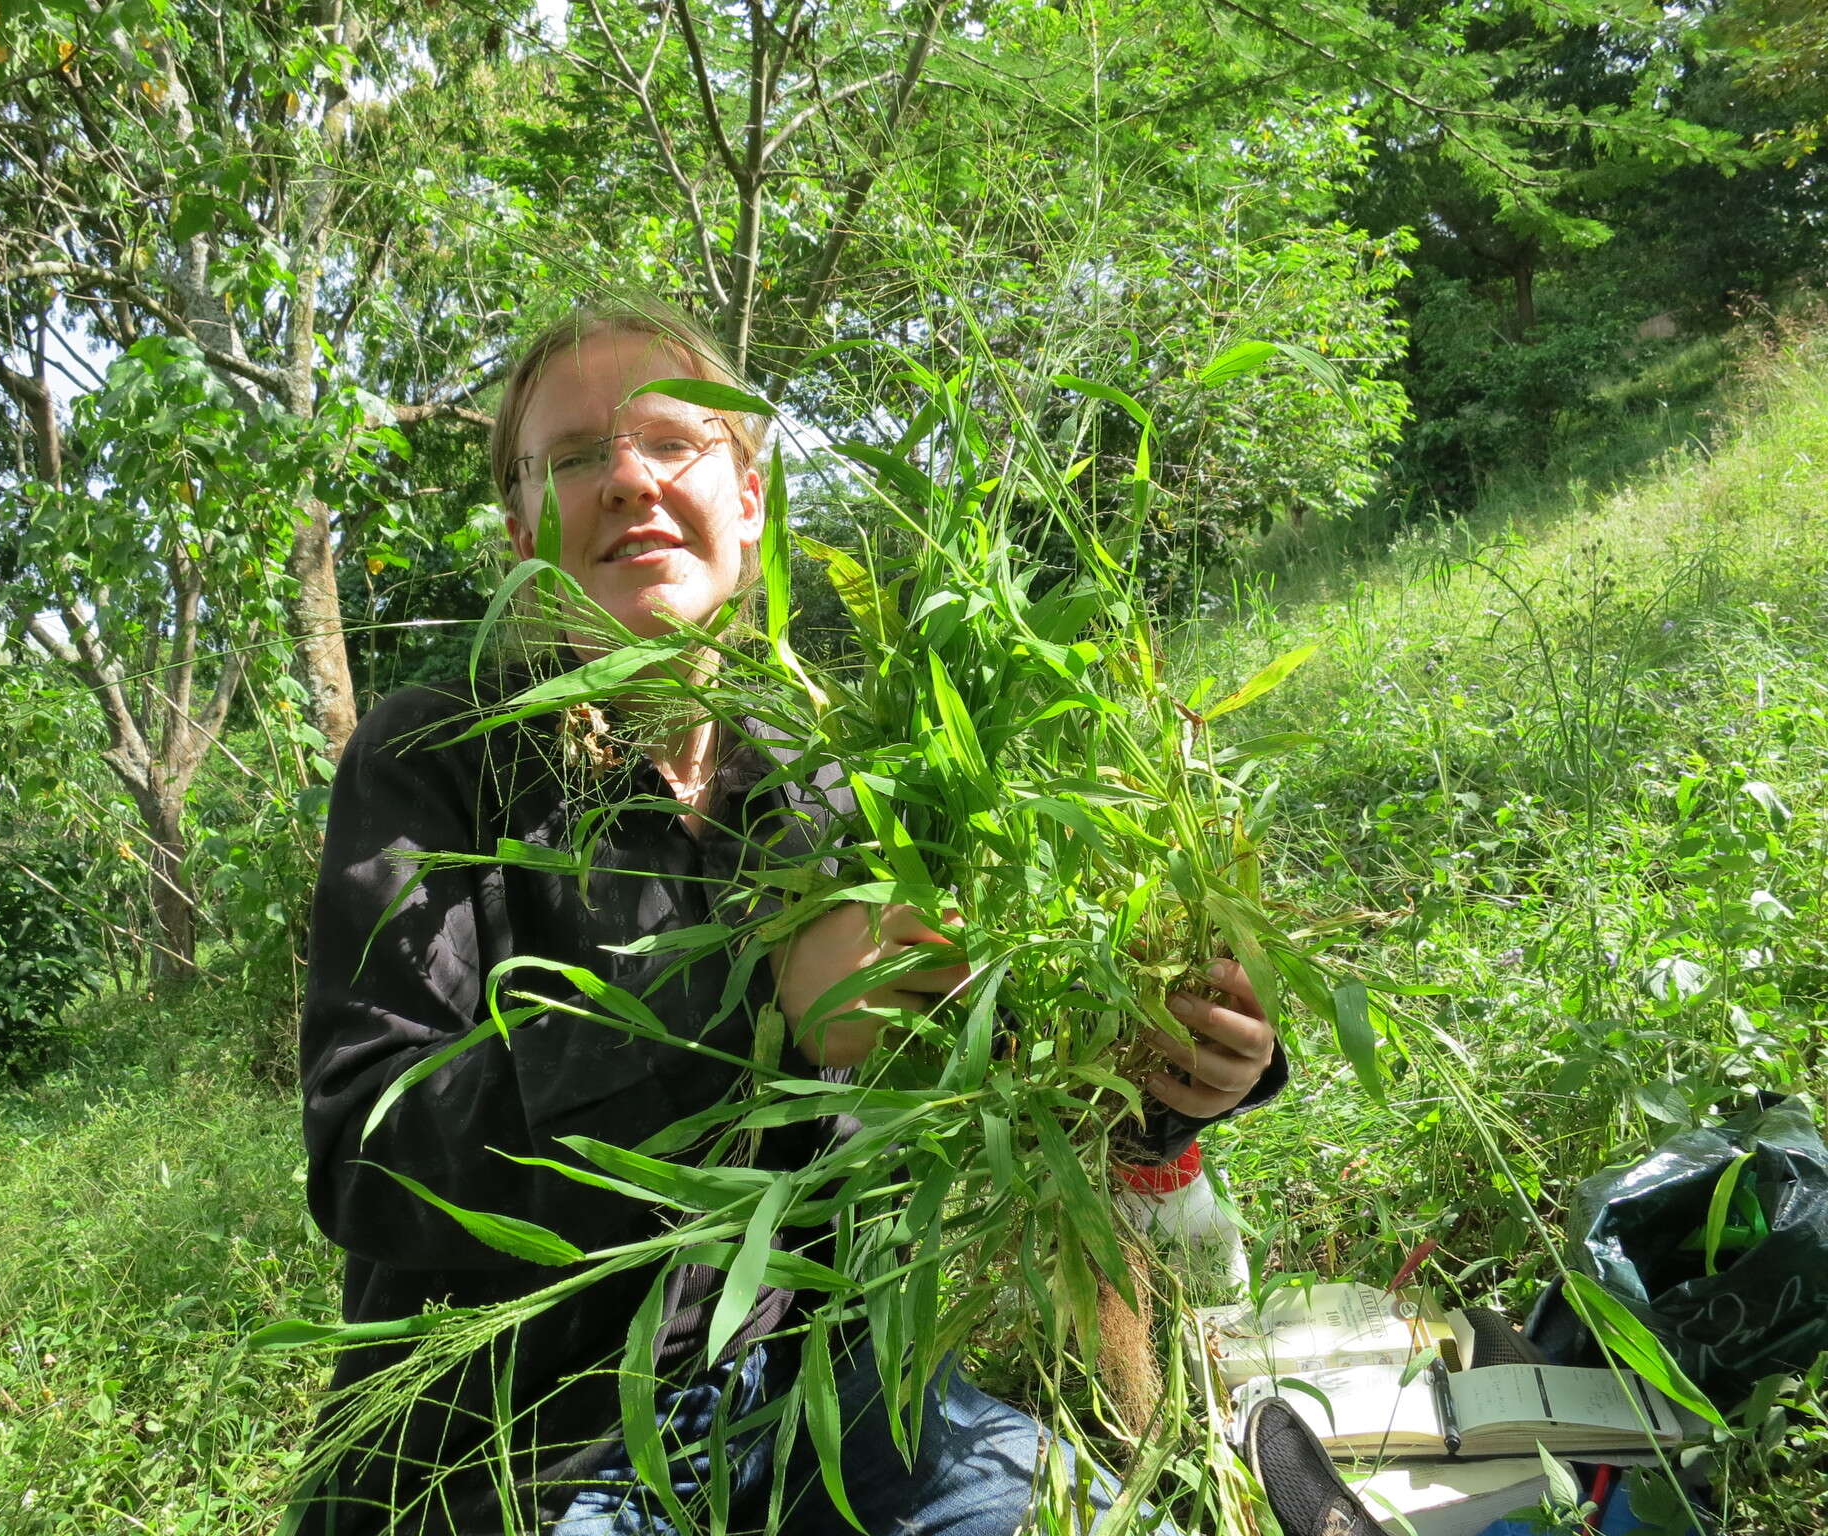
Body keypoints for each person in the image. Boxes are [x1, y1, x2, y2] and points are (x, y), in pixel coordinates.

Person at [296, 302, 1287, 1535]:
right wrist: (757, 1011)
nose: (625, 481)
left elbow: (993, 1072)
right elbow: (364, 1155)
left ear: (750, 499)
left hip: (821, 1390)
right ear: (516, 534)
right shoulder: (437, 758)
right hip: (529, 1446)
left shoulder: (835, 774)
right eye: (570, 459)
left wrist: (1169, 1067)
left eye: (672, 442)